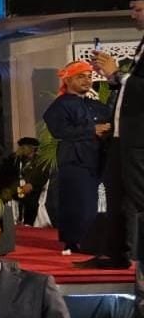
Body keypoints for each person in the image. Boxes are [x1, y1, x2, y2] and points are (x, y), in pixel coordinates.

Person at [88, 0, 144, 266]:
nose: (133, 15)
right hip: (124, 138)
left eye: (137, 9)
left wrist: (118, 75)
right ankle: (118, 253)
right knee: (117, 195)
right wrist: (112, 78)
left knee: (139, 197)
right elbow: (131, 88)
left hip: (139, 140)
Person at [42, 60, 112, 256]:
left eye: (89, 77)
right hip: (75, 160)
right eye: (81, 77)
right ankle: (76, 241)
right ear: (68, 80)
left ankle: (95, 240)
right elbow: (59, 131)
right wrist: (92, 130)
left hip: (98, 159)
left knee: (94, 203)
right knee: (78, 202)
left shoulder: (95, 105)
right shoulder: (60, 105)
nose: (87, 80)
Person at [0, 137, 47, 227]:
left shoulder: (40, 162)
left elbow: (40, 178)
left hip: (31, 192)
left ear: (32, 148)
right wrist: (14, 158)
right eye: (20, 147)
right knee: (6, 197)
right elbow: (5, 175)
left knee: (28, 201)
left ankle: (27, 223)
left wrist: (30, 185)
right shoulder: (14, 160)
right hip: (15, 190)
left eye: (24, 147)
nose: (21, 149)